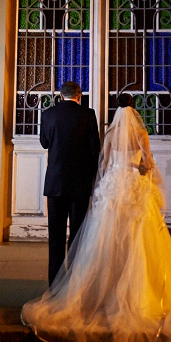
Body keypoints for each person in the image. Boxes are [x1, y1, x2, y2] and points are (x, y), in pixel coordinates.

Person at [22, 93, 171, 342]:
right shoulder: (140, 132)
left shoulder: (110, 132)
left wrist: (107, 179)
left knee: (104, 238)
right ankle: (135, 291)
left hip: (112, 185)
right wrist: (140, 170)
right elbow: (147, 163)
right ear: (135, 109)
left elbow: (103, 163)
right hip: (132, 186)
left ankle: (88, 288)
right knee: (136, 240)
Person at [40, 80, 100, 287]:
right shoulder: (88, 115)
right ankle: (74, 284)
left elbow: (44, 143)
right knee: (77, 235)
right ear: (79, 96)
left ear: (60, 95)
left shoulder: (48, 114)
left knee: (55, 236)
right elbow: (95, 150)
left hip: (55, 182)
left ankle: (55, 284)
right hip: (80, 183)